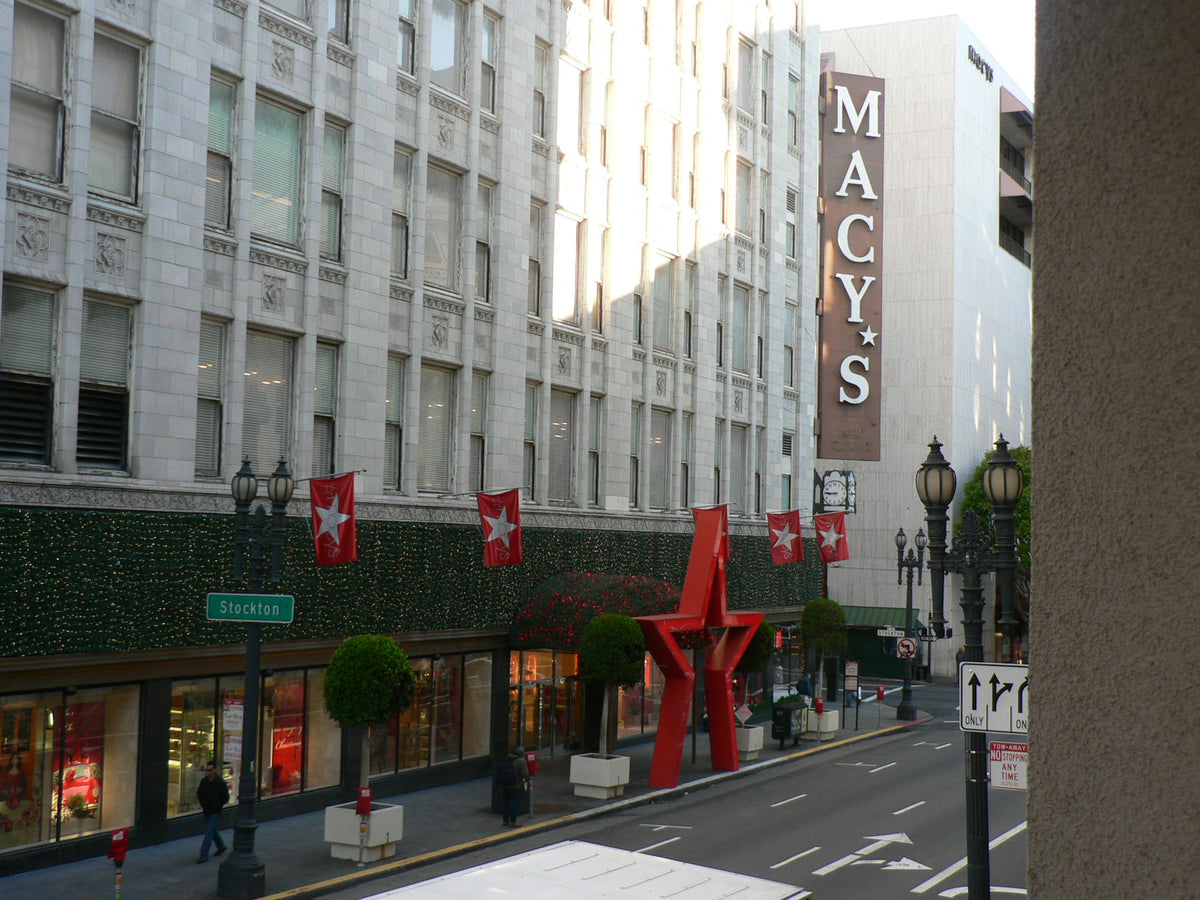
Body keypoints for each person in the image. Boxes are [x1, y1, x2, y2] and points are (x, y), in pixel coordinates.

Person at [195, 761, 229, 863]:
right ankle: (221, 846)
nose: (208, 772)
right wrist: (203, 804)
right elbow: (199, 793)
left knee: (209, 833)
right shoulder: (204, 782)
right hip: (207, 810)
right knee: (212, 830)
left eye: (210, 770)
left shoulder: (220, 782)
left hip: (216, 811)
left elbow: (225, 797)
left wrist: (218, 805)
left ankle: (203, 854)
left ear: (214, 770)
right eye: (207, 770)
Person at [498, 746, 530, 828]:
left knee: (506, 803)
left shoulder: (508, 758)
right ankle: (513, 821)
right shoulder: (521, 761)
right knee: (515, 803)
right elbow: (525, 774)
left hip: (506, 784)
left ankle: (505, 820)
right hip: (516, 786)